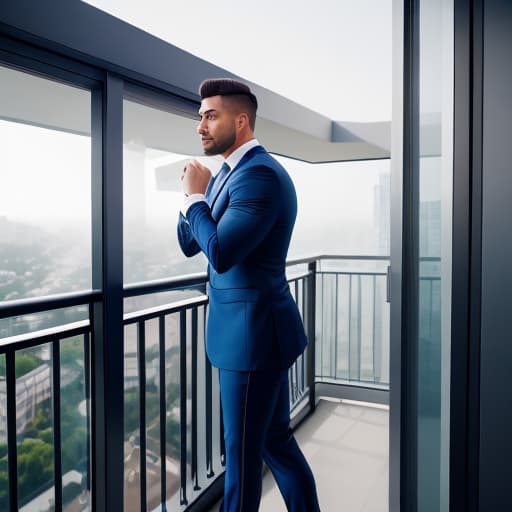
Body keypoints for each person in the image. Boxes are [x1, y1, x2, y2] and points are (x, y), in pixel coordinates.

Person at [177, 78, 321, 512]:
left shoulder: (258, 176)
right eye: (199, 116)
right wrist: (192, 200)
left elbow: (219, 252)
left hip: (251, 340)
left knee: (239, 461)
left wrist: (194, 199)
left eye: (210, 116)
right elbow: (190, 243)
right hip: (257, 335)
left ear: (241, 121)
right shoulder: (227, 174)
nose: (200, 125)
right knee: (276, 442)